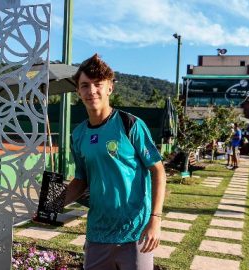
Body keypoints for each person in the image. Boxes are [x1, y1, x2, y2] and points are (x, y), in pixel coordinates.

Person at [63, 54, 166, 270]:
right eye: (85, 85)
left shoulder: (130, 125)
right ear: (78, 92)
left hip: (135, 233)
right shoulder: (78, 134)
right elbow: (81, 181)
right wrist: (51, 205)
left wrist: (155, 220)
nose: (91, 91)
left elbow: (158, 171)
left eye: (98, 84)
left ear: (110, 88)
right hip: (98, 233)